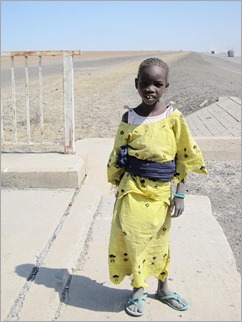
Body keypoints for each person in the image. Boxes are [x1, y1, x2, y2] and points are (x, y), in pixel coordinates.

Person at [107, 57, 208, 317]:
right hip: (131, 190)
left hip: (163, 192)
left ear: (166, 87)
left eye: (157, 84)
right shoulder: (128, 118)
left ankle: (163, 288)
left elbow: (185, 156)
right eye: (145, 83)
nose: (150, 89)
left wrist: (181, 193)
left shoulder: (173, 117)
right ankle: (138, 289)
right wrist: (116, 181)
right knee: (133, 239)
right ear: (136, 84)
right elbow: (119, 154)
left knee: (159, 243)